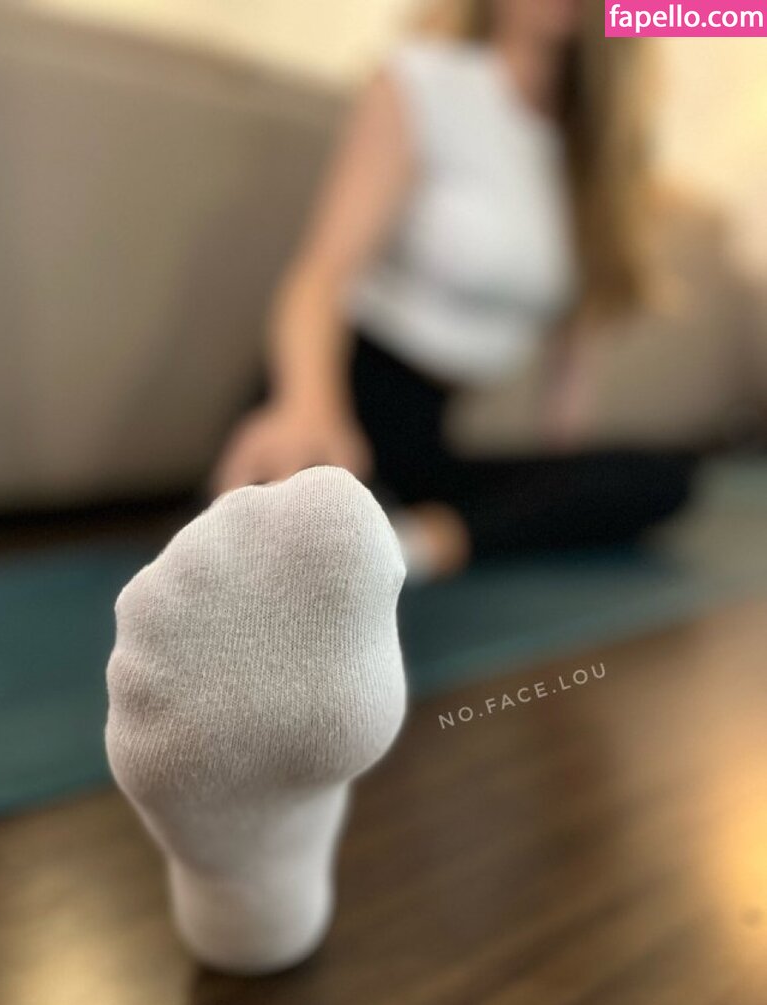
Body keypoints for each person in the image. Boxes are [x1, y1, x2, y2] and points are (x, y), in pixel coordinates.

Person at [211, 0, 697, 580]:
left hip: (425, 443)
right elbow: (321, 276)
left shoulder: (589, 153)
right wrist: (308, 409)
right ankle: (362, 543)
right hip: (338, 393)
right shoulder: (423, 81)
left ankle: (407, 548)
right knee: (280, 540)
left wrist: (561, 478)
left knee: (661, 479)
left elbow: (573, 348)